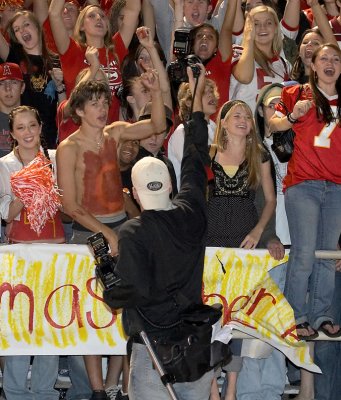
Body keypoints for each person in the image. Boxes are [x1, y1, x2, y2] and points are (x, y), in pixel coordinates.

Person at [102, 64, 216, 400]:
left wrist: (105, 271)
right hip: (195, 347)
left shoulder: (132, 233)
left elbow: (120, 296)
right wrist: (195, 95)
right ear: (170, 184)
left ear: (135, 194)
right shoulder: (192, 211)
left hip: (155, 352)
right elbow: (195, 156)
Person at [56, 69, 166, 400]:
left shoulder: (115, 134)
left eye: (105, 101)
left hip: (119, 225)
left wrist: (157, 91)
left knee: (125, 307)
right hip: (90, 231)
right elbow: (71, 205)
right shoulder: (68, 148)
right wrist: (107, 233)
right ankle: (96, 389)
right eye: (94, 103)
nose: (102, 108)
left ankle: (119, 384)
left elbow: (157, 125)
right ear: (79, 110)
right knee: (90, 310)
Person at [269, 43, 341, 341]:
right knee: (303, 254)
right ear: (312, 64)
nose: (330, 63)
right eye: (324, 58)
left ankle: (321, 314)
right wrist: (293, 117)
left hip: (337, 187)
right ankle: (296, 315)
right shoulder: (295, 93)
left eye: (336, 59)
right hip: (304, 184)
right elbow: (272, 125)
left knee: (327, 256)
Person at [206, 99, 277, 400]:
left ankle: (231, 388)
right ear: (222, 122)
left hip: (244, 244)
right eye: (236, 115)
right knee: (210, 319)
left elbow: (270, 200)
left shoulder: (258, 153)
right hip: (211, 243)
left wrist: (260, 232)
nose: (243, 119)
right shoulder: (207, 154)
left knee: (236, 319)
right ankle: (211, 387)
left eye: (247, 116)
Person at [0, 105, 64, 400]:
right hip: (21, 254)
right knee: (19, 323)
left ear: (41, 128)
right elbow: (5, 214)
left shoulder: (55, 159)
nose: (27, 133)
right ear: (12, 134)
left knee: (51, 322)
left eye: (32, 126)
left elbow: (66, 203)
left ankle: (44, 390)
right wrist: (26, 191)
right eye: (21, 128)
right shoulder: (5, 165)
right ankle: (14, 391)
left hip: (55, 253)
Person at [48, 0, 140, 121]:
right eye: (91, 16)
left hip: (112, 133)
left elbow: (133, 9)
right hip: (80, 131)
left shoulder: (116, 48)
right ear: (81, 26)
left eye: (102, 16)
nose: (98, 18)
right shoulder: (72, 50)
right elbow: (54, 13)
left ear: (107, 25)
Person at [0, 10, 66, 148]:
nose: (22, 30)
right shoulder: (15, 56)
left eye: (26, 25)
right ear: (16, 37)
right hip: (23, 132)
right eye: (17, 29)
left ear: (37, 27)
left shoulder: (55, 60)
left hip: (48, 135)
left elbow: (62, 108)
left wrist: (60, 86)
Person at [230, 5, 292, 113]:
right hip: (242, 125)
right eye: (256, 24)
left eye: (268, 23)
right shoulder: (238, 53)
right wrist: (249, 38)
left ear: (276, 28)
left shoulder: (284, 64)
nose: (262, 27)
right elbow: (245, 77)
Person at [167, 77, 219, 190]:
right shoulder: (182, 132)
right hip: (193, 199)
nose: (211, 95)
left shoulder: (215, 127)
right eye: (204, 92)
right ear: (189, 102)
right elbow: (195, 167)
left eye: (212, 91)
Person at [0, 62, 25, 158]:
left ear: (22, 87)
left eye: (13, 82)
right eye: (2, 83)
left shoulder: (33, 120)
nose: (8, 88)